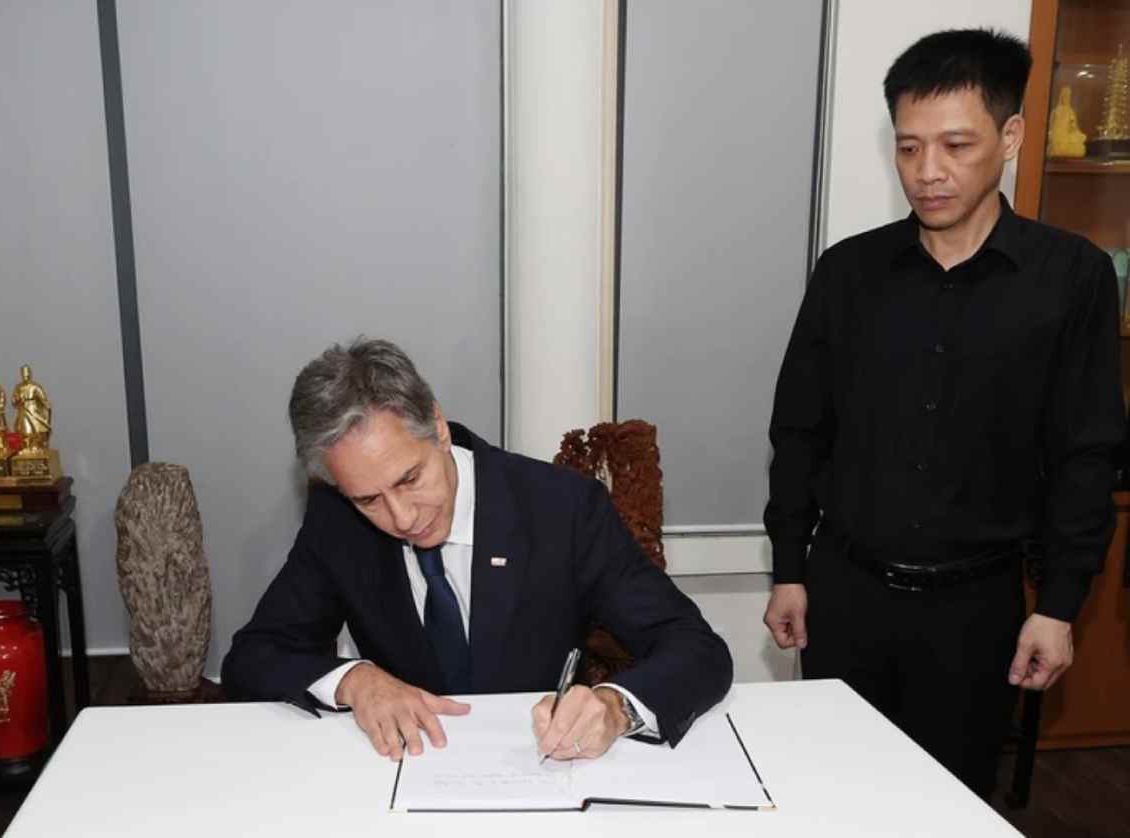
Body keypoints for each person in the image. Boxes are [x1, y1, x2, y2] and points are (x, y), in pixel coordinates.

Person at [762, 28, 1123, 800]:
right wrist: (789, 567)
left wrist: (1059, 606)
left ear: (1011, 137)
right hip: (845, 593)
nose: (927, 173)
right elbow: (798, 429)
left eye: (956, 145)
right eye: (908, 148)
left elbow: (1086, 454)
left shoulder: (1073, 279)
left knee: (946, 803)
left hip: (975, 607)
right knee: (827, 795)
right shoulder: (848, 273)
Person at [223, 338, 732, 763]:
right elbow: (253, 657)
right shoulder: (337, 523)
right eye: (369, 499)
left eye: (410, 478)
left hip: (543, 767)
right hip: (404, 774)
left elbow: (697, 649)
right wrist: (354, 680)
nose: (402, 517)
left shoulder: (561, 508)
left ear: (439, 429)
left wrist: (615, 707)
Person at [12, 365, 52, 452]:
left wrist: (47, 406)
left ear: (30, 373)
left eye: (27, 372)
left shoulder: (35, 386)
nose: (25, 375)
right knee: (25, 430)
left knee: (37, 430)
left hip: (33, 410)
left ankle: (37, 446)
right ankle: (26, 447)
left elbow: (43, 399)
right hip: (23, 410)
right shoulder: (18, 387)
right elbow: (14, 401)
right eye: (23, 372)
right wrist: (18, 400)